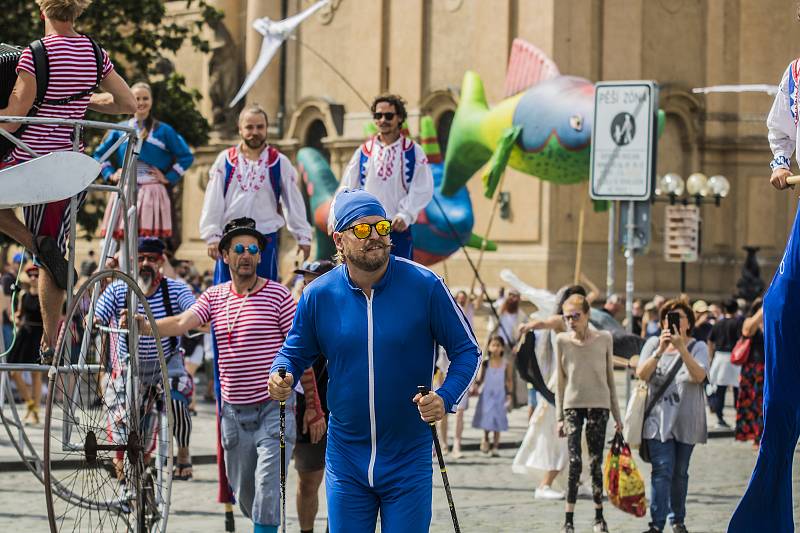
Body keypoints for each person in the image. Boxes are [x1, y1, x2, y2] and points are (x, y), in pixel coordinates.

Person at [268, 189, 481, 533]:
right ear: (339, 240)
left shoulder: (425, 285)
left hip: (408, 456)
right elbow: (293, 352)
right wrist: (280, 374)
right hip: (346, 459)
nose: (376, 237)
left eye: (381, 227)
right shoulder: (318, 295)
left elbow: (468, 350)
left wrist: (445, 397)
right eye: (363, 230)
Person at [129, 218, 319, 532]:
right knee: (245, 493)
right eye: (239, 249)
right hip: (232, 412)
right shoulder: (214, 297)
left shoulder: (279, 297)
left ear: (260, 256)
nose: (246, 254)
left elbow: (301, 353)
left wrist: (312, 405)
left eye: (253, 249)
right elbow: (181, 323)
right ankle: (261, 521)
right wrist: (144, 325)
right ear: (225, 256)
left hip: (275, 409)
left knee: (269, 488)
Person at [0, 0, 135, 364]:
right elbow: (126, 103)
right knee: (52, 253)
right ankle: (50, 337)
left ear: (41, 10)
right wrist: (79, 99)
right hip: (72, 165)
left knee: (48, 257)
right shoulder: (94, 53)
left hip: (32, 164)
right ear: (77, 12)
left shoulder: (34, 54)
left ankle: (50, 343)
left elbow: (12, 121)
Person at [95, 237, 197, 480]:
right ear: (132, 262)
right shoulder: (118, 289)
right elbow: (96, 317)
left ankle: (183, 450)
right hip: (129, 368)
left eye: (152, 259)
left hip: (167, 364)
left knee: (177, 403)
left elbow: (194, 314)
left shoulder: (176, 289)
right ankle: (131, 480)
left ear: (161, 262)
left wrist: (195, 321)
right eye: (141, 258)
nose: (146, 263)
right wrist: (96, 319)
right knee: (125, 418)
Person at [200, 104, 312, 284]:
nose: (255, 132)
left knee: (265, 293)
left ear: (266, 128)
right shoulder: (225, 160)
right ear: (240, 129)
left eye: (260, 127)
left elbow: (293, 201)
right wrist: (211, 235)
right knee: (225, 293)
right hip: (230, 237)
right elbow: (213, 200)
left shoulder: (279, 162)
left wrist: (303, 235)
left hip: (264, 239)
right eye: (249, 127)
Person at [636, 299, 709, 533]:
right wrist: (660, 350)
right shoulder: (651, 344)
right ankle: (656, 524)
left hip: (686, 419)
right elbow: (641, 374)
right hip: (657, 420)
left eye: (678, 317)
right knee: (662, 470)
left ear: (689, 323)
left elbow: (699, 376)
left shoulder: (698, 347)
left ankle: (677, 520)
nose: (672, 321)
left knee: (679, 472)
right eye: (668, 317)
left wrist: (681, 348)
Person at [336, 94, 434, 259]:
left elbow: (423, 187)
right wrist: (337, 217)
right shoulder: (364, 151)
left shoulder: (412, 151)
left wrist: (407, 214)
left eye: (388, 115)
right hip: (366, 230)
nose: (383, 120)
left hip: (397, 228)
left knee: (399, 278)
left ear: (400, 117)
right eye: (378, 116)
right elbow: (347, 188)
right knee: (366, 278)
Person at [556, 294, 622, 533]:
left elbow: (610, 379)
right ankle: (568, 520)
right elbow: (560, 381)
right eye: (567, 317)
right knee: (574, 462)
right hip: (572, 404)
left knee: (595, 461)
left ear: (587, 316)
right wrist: (559, 418)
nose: (571, 321)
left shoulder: (604, 338)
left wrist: (618, 416)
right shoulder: (561, 340)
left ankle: (598, 516)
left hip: (599, 404)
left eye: (576, 316)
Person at [95, 81, 194, 241]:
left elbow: (186, 157)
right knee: (121, 242)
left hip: (153, 190)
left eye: (145, 98)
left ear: (152, 101)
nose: (141, 102)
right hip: (125, 188)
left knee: (149, 244)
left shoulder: (164, 131)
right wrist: (110, 174)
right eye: (137, 98)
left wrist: (168, 177)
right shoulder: (119, 129)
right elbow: (99, 156)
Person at [291, 260, 331, 533]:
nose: (307, 288)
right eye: (305, 282)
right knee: (308, 482)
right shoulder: (297, 321)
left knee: (347, 485)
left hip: (347, 413)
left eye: (314, 282)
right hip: (308, 414)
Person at [7, 264, 44, 425]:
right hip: (25, 334)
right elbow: (20, 314)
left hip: (38, 334)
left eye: (36, 275)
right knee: (13, 372)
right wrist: (14, 317)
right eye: (31, 275)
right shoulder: (23, 295)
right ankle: (30, 404)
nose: (33, 278)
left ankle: (35, 410)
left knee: (36, 374)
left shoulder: (44, 295)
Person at [472, 335, 512, 456]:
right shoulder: (485, 363)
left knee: (498, 420)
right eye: (493, 345)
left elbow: (509, 380)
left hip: (500, 395)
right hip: (487, 395)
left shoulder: (506, 364)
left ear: (502, 348)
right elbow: (480, 379)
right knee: (487, 419)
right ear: (488, 347)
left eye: (498, 345)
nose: (495, 348)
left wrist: (509, 395)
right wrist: (475, 386)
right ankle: (485, 438)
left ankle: (495, 446)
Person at [706, 299, 742, 429]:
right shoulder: (738, 323)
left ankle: (720, 418)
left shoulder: (718, 323)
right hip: (735, 358)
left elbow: (710, 340)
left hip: (720, 357)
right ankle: (739, 418)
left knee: (719, 389)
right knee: (738, 389)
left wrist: (711, 356)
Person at [735, 299, 765, 447]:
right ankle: (756, 437)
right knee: (753, 404)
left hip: (768, 368)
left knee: (765, 404)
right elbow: (747, 331)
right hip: (753, 370)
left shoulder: (772, 321)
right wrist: (765, 306)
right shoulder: (750, 321)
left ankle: (764, 436)